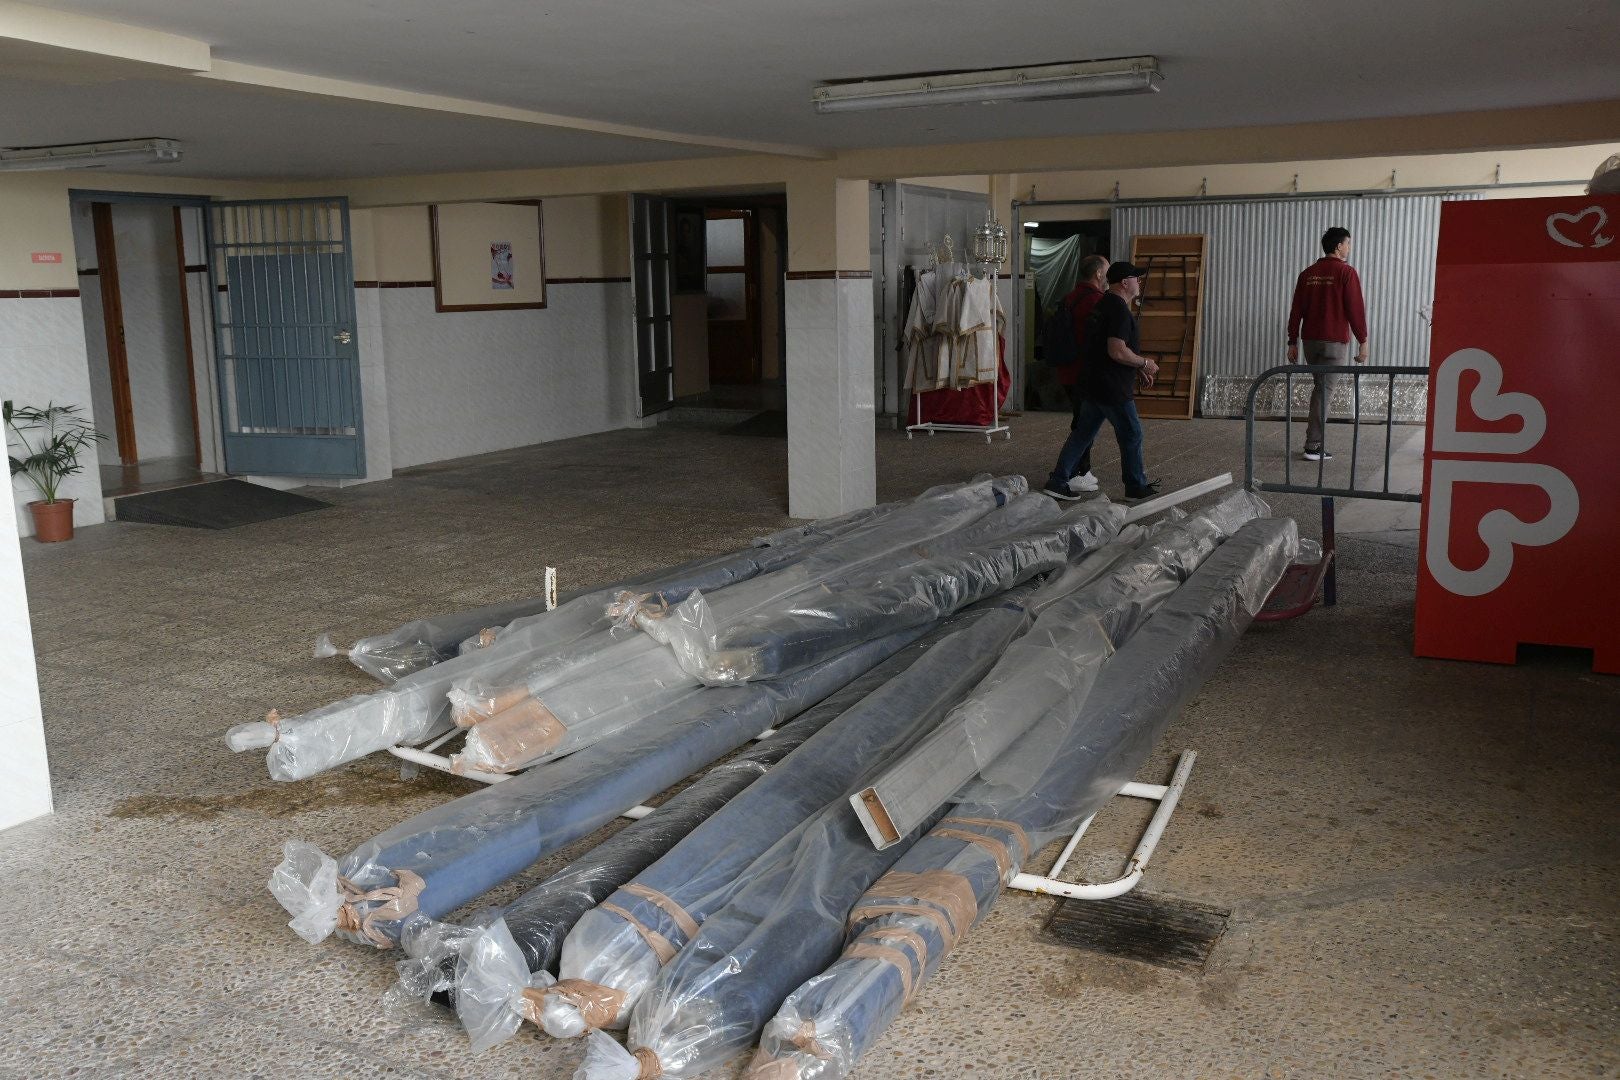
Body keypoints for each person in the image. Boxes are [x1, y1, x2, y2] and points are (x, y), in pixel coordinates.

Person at [1043, 262, 1159, 502]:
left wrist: (1136, 366)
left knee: (1083, 433)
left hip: (1094, 383)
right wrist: (1144, 363)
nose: (1140, 283)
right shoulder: (1117, 309)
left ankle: (1057, 481)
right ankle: (1135, 486)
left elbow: (1107, 350)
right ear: (1125, 283)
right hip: (1112, 387)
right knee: (1131, 433)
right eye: (1136, 278)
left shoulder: (1103, 304)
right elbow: (1116, 351)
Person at [1287, 226, 1369, 461]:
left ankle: (1313, 442)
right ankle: (1313, 446)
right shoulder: (1346, 273)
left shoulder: (1307, 274)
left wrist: (1292, 341)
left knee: (1320, 390)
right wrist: (1363, 341)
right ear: (1338, 246)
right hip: (1334, 342)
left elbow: (1296, 311)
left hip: (1310, 342)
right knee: (1324, 392)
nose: (1349, 248)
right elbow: (1355, 310)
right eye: (1348, 243)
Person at [1051, 253, 1111, 492]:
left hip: (1067, 370)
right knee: (1084, 425)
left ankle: (1079, 470)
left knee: (1082, 421)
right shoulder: (1096, 300)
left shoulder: (1070, 298)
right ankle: (1076, 472)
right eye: (1106, 270)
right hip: (1084, 373)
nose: (1108, 275)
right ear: (1098, 273)